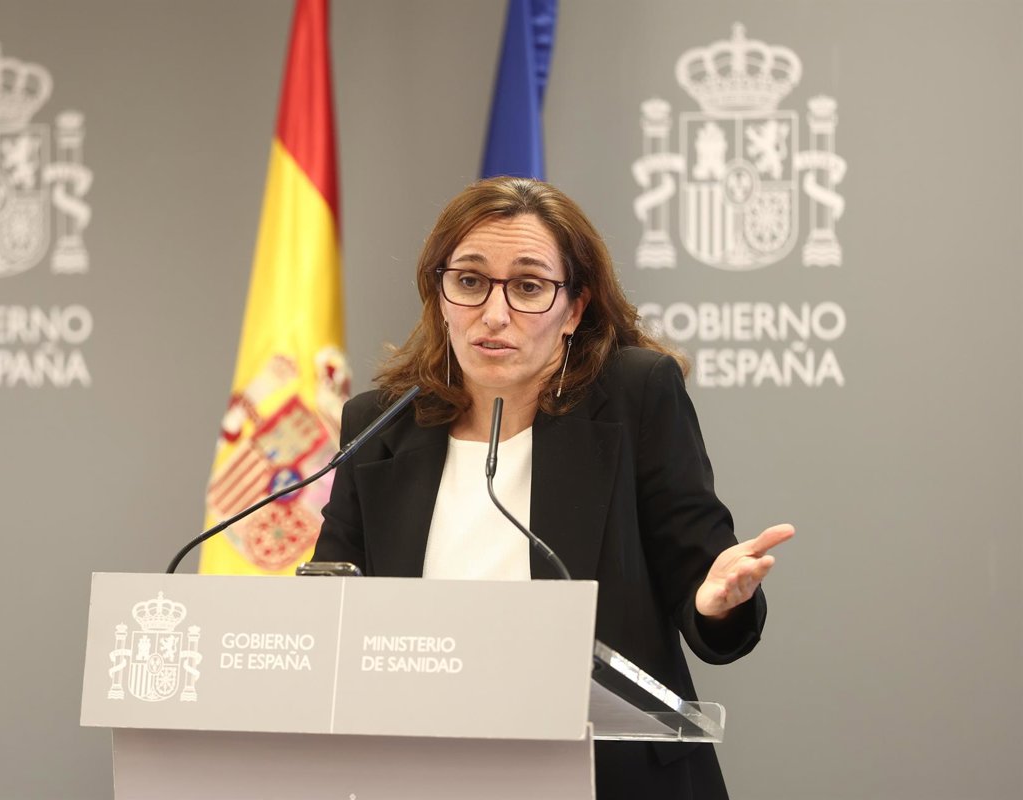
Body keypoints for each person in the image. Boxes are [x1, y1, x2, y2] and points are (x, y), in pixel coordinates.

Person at [313, 176, 793, 799]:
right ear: (440, 295)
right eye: (470, 281)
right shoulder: (380, 424)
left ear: (574, 309)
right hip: (424, 775)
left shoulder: (634, 396)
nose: (494, 314)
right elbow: (330, 605)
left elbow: (700, 576)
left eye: (529, 287)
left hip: (608, 777)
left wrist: (717, 602)